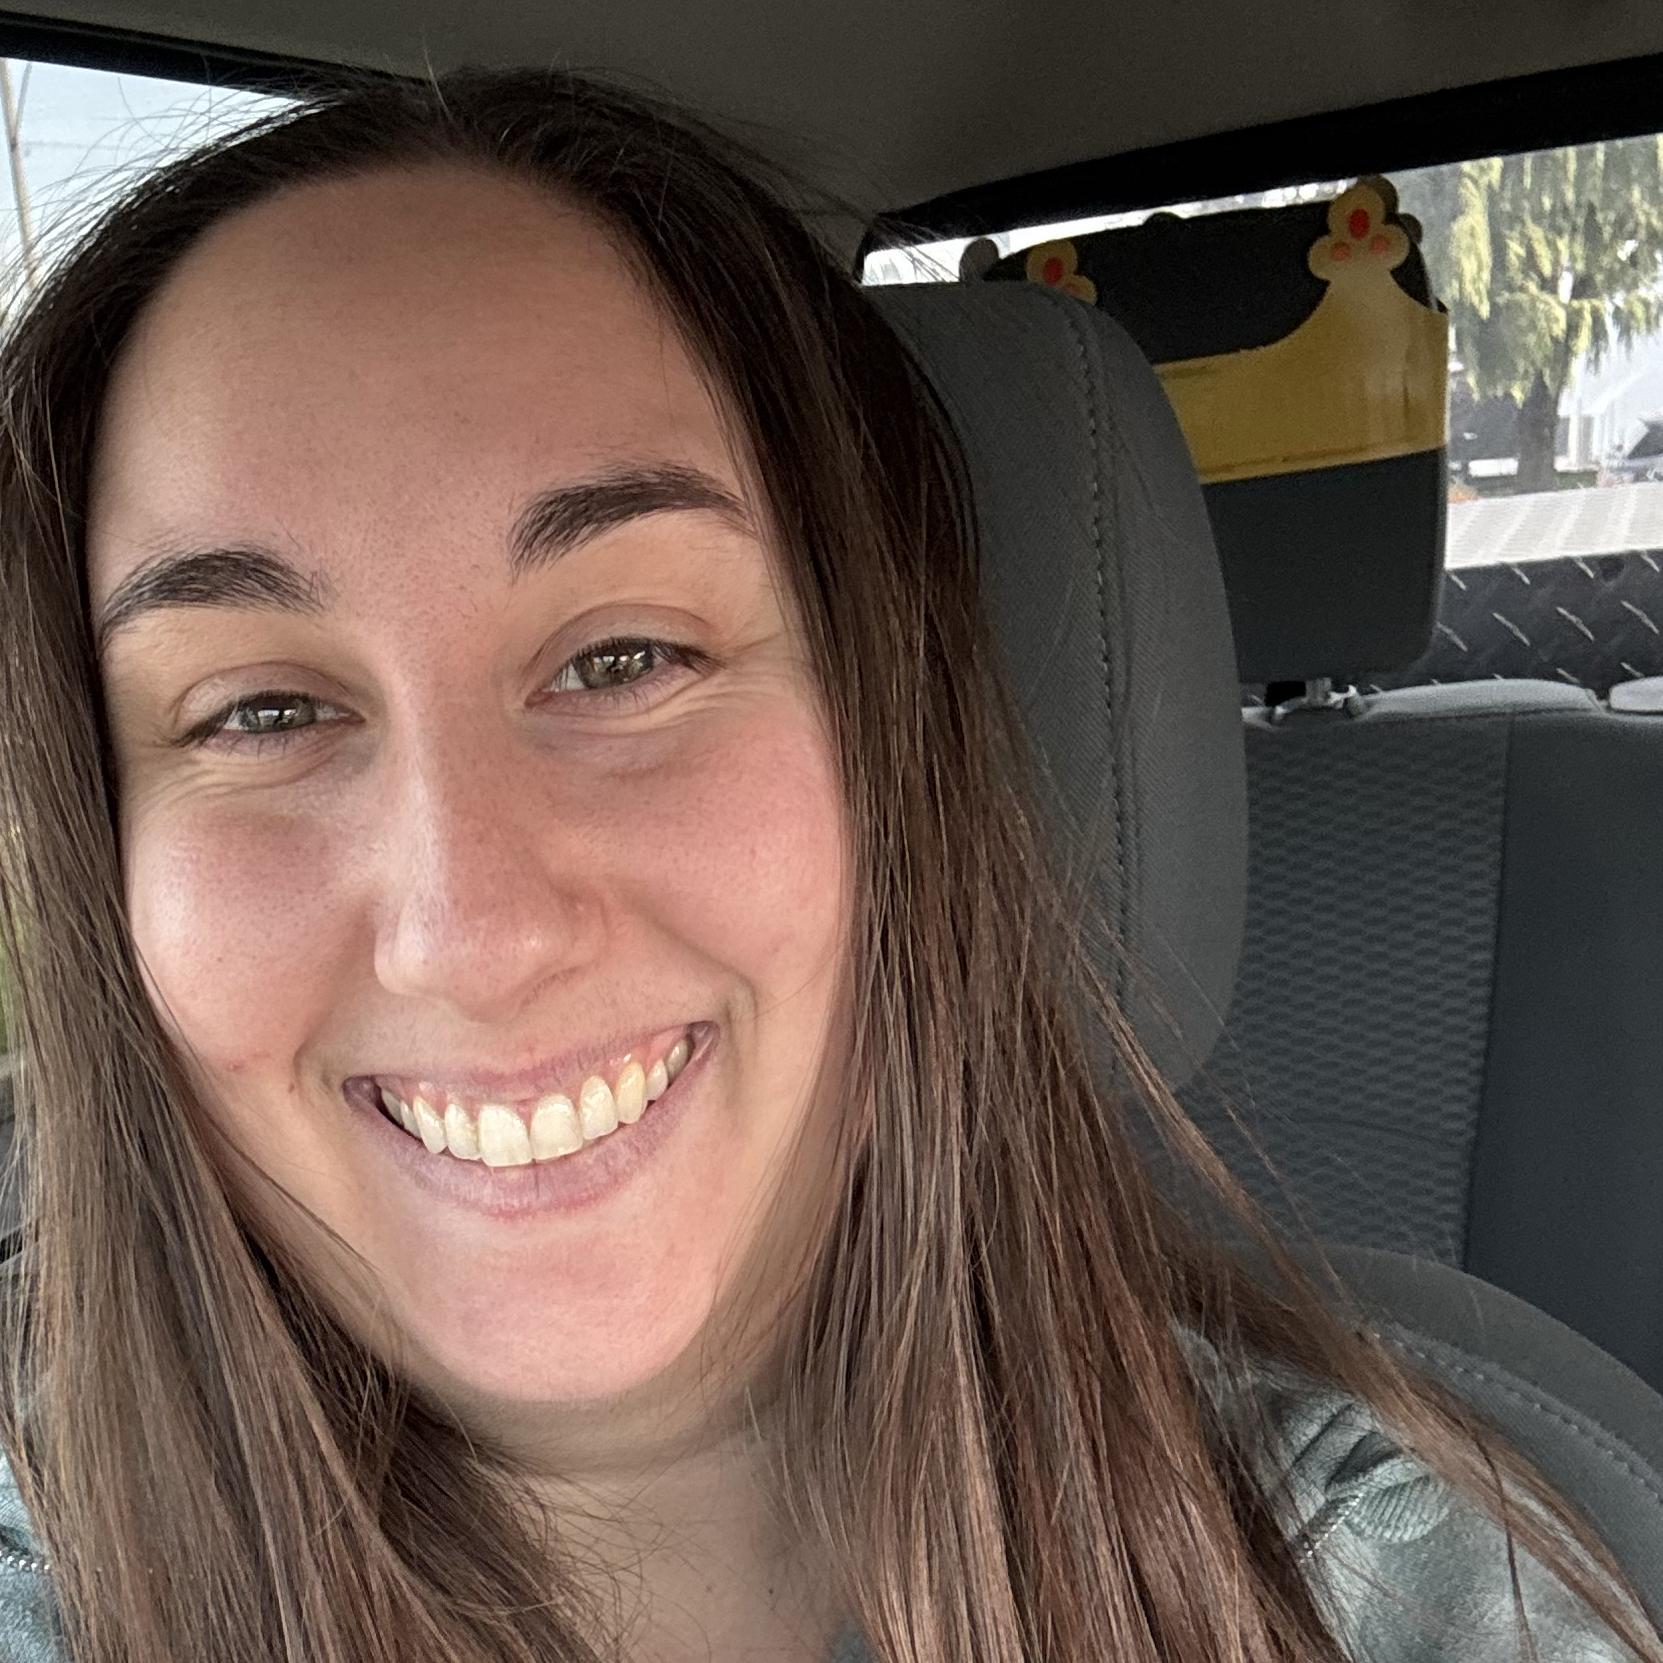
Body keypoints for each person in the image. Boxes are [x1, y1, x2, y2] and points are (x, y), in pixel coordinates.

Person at [0, 65, 1653, 1663]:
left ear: (892, 746)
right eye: (264, 711)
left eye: (625, 659)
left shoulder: (1405, 1598)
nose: (471, 934)